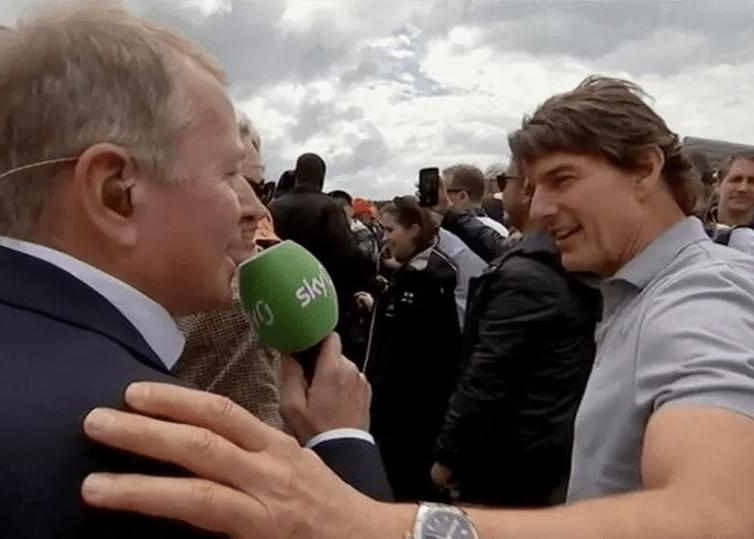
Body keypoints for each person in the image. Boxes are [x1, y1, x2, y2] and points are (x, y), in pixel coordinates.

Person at [80, 75, 754, 539]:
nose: (540, 210)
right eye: (534, 185)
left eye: (564, 180)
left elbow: (719, 516)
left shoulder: (700, 298)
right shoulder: (631, 291)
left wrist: (373, 522)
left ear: (643, 169)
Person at [0, 5, 390, 537]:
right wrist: (344, 449)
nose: (249, 209)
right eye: (228, 174)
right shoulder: (156, 449)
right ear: (116, 192)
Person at [432, 163, 600, 507]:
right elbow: (501, 249)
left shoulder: (525, 278)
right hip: (547, 452)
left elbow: (487, 376)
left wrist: (448, 456)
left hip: (507, 459)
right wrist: (450, 214)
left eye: (504, 181)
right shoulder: (552, 255)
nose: (498, 191)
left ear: (526, 189)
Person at [172, 112, 283, 428]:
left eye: (260, 188)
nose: (259, 210)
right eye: (231, 179)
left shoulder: (253, 288)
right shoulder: (239, 299)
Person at [363, 196, 464, 502]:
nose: (384, 237)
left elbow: (432, 354)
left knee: (409, 493)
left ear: (414, 229)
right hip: (399, 415)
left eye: (390, 229)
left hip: (411, 420)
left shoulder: (430, 281)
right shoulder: (410, 275)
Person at [269, 153, 376, 366]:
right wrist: (371, 273)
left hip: (280, 293)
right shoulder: (328, 206)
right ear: (322, 177)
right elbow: (347, 252)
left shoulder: (275, 206)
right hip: (321, 293)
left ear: (297, 173)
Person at [443, 163, 509, 236]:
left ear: (462, 196)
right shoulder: (499, 230)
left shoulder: (454, 233)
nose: (441, 197)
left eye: (444, 192)